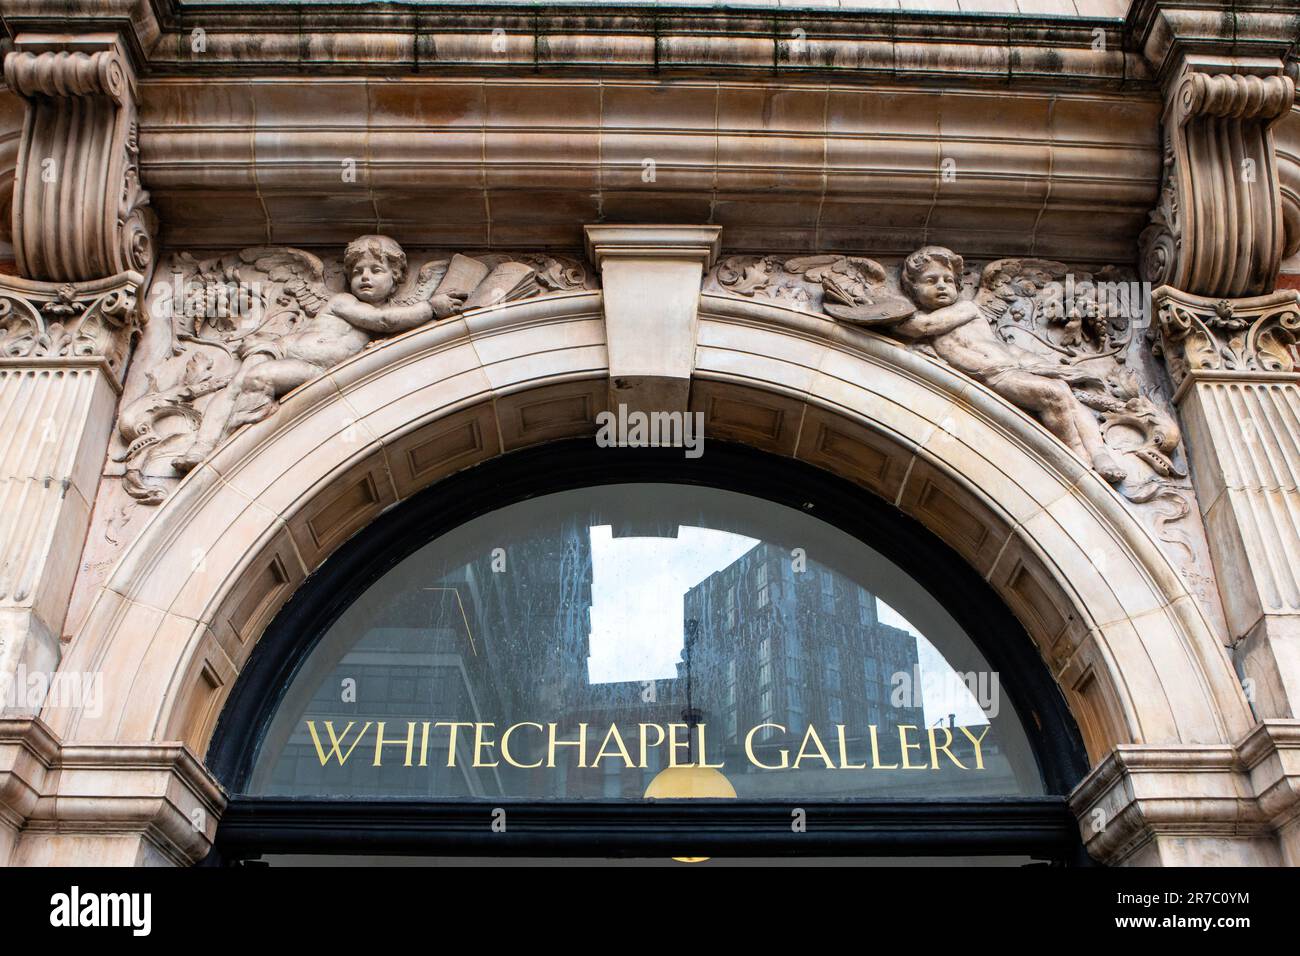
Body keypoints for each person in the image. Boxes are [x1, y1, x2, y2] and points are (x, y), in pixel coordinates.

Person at [173, 235, 459, 472]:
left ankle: (233, 447)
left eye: (376, 270)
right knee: (236, 386)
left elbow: (387, 320)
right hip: (283, 347)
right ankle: (205, 445)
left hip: (315, 369)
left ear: (396, 277)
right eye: (358, 272)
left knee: (257, 379)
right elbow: (382, 323)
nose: (365, 277)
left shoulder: (392, 311)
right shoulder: (344, 301)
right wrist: (430, 309)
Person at [891, 246, 1126, 483]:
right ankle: (1080, 453)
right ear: (913, 289)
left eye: (948, 280)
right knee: (1055, 393)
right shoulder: (926, 327)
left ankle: (1097, 453)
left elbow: (925, 326)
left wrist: (886, 317)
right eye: (931, 280)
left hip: (1008, 367)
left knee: (1063, 393)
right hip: (994, 375)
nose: (941, 285)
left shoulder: (965, 308)